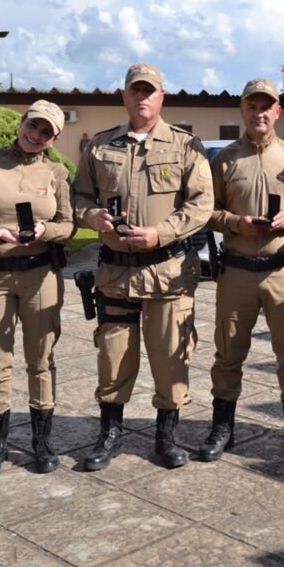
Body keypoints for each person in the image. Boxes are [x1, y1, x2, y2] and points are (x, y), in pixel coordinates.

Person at [72, 62, 212, 469]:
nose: (143, 97)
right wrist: (91, 216)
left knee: (171, 358)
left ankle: (166, 437)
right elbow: (78, 197)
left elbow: (202, 204)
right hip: (116, 275)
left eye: (150, 90)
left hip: (167, 272)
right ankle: (109, 435)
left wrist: (161, 232)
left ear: (161, 97)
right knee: (113, 357)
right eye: (136, 90)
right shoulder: (99, 146)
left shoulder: (186, 146)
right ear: (125, 96)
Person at [199, 78, 284, 463]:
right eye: (251, 106)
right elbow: (205, 211)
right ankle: (223, 427)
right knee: (228, 352)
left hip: (282, 270)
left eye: (265, 106)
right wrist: (235, 223)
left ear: (277, 112)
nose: (259, 113)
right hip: (237, 270)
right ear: (242, 111)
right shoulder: (224, 160)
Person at [0, 100, 75, 477]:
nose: (36, 135)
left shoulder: (56, 171)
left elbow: (68, 224)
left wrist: (46, 231)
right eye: (32, 126)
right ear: (22, 122)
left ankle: (42, 443)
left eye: (46, 132)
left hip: (40, 274)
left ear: (54, 138)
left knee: (41, 359)